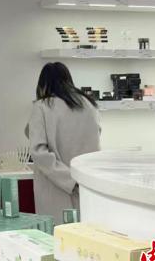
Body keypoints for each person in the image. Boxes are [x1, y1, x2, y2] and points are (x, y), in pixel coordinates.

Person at [26, 62, 100, 223]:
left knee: (56, 233)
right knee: (85, 231)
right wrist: (80, 179)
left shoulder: (42, 106)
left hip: (55, 186)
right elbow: (95, 143)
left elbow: (38, 151)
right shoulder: (89, 105)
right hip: (85, 185)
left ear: (43, 83)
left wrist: (69, 179)